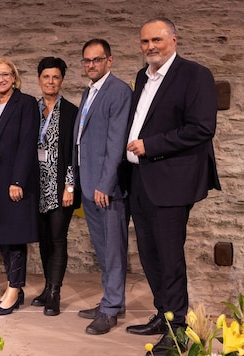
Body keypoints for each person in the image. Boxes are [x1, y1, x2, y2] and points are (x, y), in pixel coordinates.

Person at [124, 18, 221, 355]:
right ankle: (164, 315)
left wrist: (151, 145)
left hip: (172, 182)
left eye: (156, 40)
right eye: (144, 41)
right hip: (140, 180)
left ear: (174, 39)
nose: (150, 47)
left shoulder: (196, 75)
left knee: (168, 256)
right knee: (149, 256)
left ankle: (177, 328)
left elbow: (201, 128)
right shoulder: (142, 76)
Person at [73, 39, 131, 335]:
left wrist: (105, 184)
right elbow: (82, 139)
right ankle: (112, 300)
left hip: (106, 187)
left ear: (110, 60)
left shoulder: (119, 91)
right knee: (103, 247)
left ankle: (110, 310)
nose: (91, 65)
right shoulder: (89, 91)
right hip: (89, 183)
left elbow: (116, 142)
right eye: (86, 60)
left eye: (97, 60)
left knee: (113, 249)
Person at [0, 57, 39, 316]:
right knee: (3, 238)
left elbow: (27, 144)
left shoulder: (25, 104)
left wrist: (18, 181)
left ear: (14, 78)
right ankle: (13, 286)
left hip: (13, 182)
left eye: (5, 74)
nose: (0, 79)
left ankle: (14, 290)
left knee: (14, 239)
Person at [31, 57, 80, 316]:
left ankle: (55, 293)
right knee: (44, 240)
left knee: (58, 239)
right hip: (36, 187)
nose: (51, 81)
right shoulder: (31, 109)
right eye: (46, 77)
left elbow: (74, 152)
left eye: (56, 77)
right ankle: (47, 287)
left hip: (60, 186)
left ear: (62, 80)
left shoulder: (72, 112)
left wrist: (70, 186)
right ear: (39, 79)